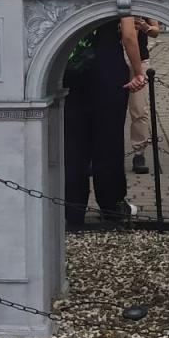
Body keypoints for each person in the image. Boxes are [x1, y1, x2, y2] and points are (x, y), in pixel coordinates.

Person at [64, 15, 146, 230]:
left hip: (73, 70)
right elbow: (129, 36)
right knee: (109, 142)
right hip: (107, 68)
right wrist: (138, 71)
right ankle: (111, 207)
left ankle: (74, 210)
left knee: (74, 143)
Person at [127, 16, 162, 174]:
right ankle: (103, 152)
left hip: (140, 60)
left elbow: (155, 31)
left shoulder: (142, 4)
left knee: (139, 109)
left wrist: (144, 26)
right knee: (108, 107)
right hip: (114, 58)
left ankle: (139, 152)